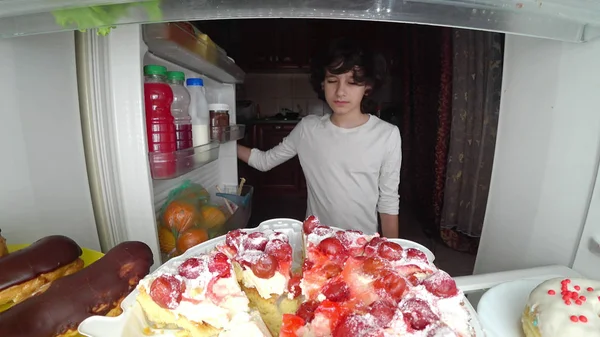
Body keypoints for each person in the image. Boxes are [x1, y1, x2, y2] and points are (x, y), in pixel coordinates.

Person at [237, 38, 401, 238]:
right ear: (322, 83)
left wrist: (393, 251)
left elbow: (388, 200)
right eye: (332, 80)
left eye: (352, 82)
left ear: (367, 86)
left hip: (362, 243)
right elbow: (264, 161)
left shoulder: (387, 134)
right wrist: (225, 143)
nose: (340, 91)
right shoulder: (308, 129)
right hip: (316, 241)